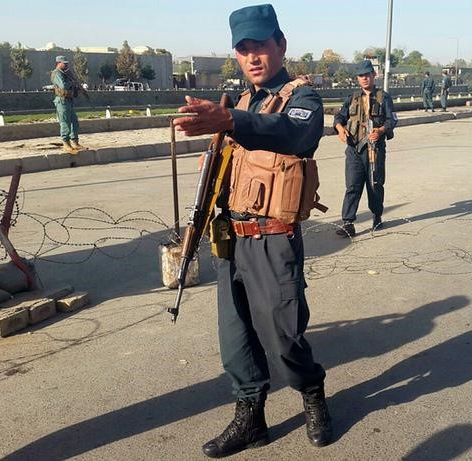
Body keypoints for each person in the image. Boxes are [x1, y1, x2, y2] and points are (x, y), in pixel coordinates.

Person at [172, 4, 332, 458]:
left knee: (284, 335)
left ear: (280, 45)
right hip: (231, 236)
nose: (253, 57)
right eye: (244, 50)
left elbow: (292, 135)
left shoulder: (302, 99)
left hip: (274, 236)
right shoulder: (240, 101)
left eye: (260, 46)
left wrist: (230, 122)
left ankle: (311, 392)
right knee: (235, 335)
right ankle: (250, 418)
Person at [333, 60, 396, 237]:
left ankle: (377, 216)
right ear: (358, 78)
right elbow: (338, 118)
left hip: (375, 150)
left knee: (375, 184)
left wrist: (381, 130)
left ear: (373, 75)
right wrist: (340, 129)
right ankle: (348, 223)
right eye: (361, 75)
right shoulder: (352, 98)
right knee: (352, 185)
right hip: (354, 150)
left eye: (367, 75)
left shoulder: (384, 97)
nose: (364, 78)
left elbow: (392, 120)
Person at [50, 56, 85, 154]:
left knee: (74, 122)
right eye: (64, 63)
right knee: (65, 123)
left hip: (69, 100)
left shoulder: (65, 73)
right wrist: (72, 82)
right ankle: (66, 144)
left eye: (67, 63)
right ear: (58, 63)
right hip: (62, 101)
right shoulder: (57, 73)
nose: (66, 65)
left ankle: (75, 142)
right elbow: (63, 85)